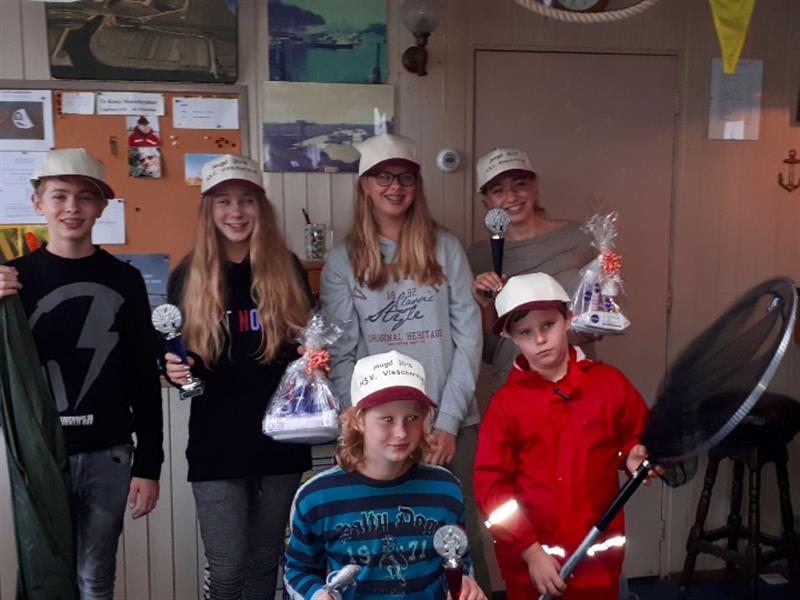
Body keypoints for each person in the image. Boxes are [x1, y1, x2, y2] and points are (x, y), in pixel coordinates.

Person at [319, 133, 490, 593]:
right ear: (365, 185)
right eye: (383, 177)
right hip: (378, 427)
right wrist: (358, 425)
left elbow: (469, 337)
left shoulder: (445, 248)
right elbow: (341, 353)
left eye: (406, 177)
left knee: (461, 539)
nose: (395, 187)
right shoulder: (343, 260)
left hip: (448, 423)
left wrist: (448, 423)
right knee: (383, 542)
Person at [0, 148, 163, 599]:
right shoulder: (12, 280)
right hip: (38, 455)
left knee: (94, 578)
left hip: (108, 454)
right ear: (38, 204)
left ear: (101, 206)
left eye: (85, 197)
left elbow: (143, 378)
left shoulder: (124, 280)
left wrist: (149, 465)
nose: (72, 208)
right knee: (46, 576)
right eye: (59, 196)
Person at [162, 154, 312, 600]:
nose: (236, 211)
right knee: (227, 571)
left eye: (246, 200)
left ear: (260, 206)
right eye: (223, 201)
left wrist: (313, 357)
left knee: (265, 562)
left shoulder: (287, 268)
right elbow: (178, 362)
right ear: (208, 209)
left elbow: (305, 346)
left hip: (281, 440)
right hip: (217, 445)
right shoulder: (187, 275)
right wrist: (173, 370)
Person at [473, 273, 656, 600]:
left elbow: (634, 438)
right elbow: (492, 488)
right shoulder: (505, 405)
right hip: (531, 570)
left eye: (548, 325)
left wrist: (632, 456)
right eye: (525, 332)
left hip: (597, 562)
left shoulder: (609, 384)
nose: (540, 339)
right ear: (511, 337)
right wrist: (530, 550)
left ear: (568, 318)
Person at [284, 350, 486, 600]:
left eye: (412, 417)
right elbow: (298, 570)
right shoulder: (316, 497)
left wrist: (465, 583)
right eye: (387, 419)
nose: (401, 432)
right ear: (358, 420)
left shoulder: (445, 489)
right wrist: (316, 594)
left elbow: (458, 558)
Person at [467, 147, 596, 392]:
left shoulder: (579, 238)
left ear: (535, 187)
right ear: (486, 201)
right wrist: (486, 307)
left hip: (576, 383)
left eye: (520, 184)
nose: (511, 196)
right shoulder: (479, 257)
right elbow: (490, 352)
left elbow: (597, 321)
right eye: (498, 190)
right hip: (515, 388)